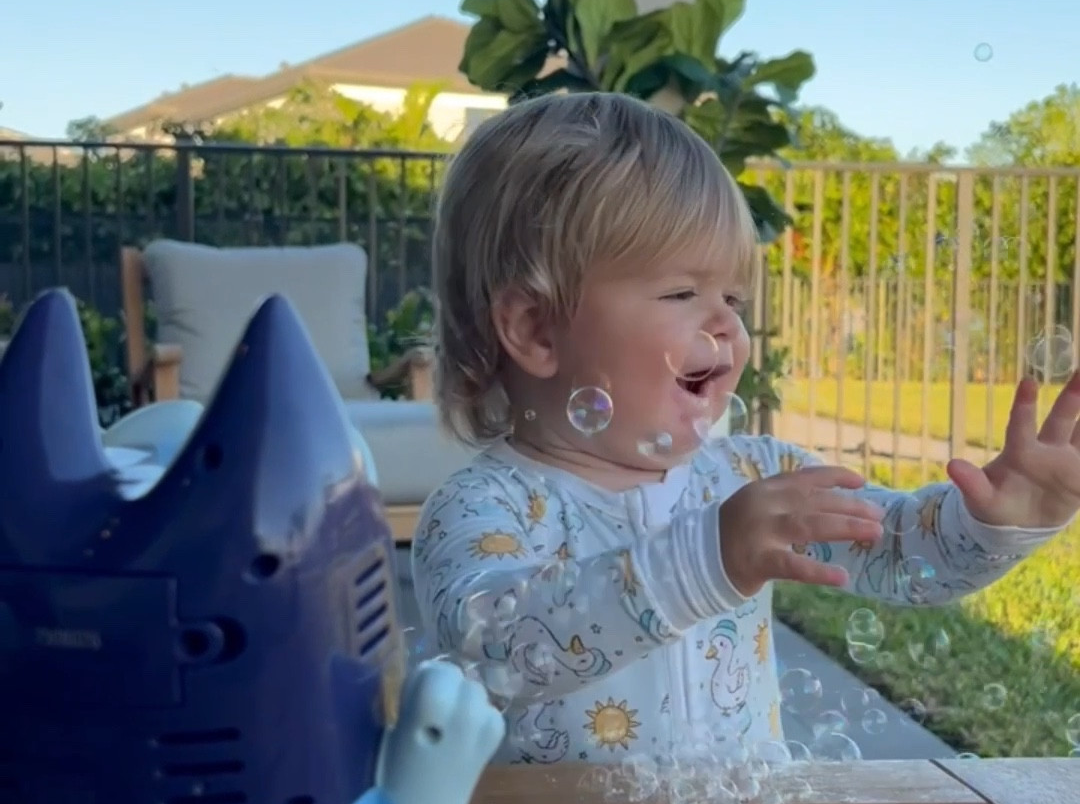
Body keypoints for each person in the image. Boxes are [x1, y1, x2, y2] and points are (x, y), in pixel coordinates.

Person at [413, 93, 1080, 765]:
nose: (728, 325)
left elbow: (898, 552)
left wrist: (1000, 522)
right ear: (536, 329)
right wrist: (705, 560)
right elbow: (497, 653)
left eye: (731, 298)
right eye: (682, 293)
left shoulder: (750, 477)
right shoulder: (484, 508)